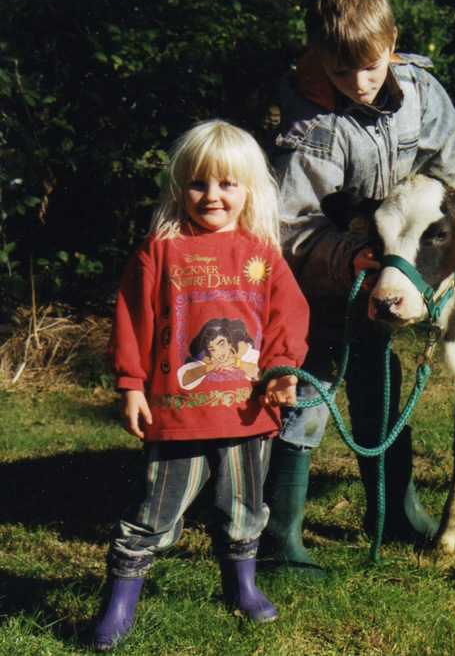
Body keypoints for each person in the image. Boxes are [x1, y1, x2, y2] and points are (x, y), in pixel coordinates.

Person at [263, 0, 455, 575]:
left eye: (370, 66)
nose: (360, 82)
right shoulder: (309, 124)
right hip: (317, 281)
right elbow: (288, 225)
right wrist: (347, 259)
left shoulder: (422, 92)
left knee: (382, 386)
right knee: (308, 397)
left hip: (384, 272)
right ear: (319, 59)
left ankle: (393, 512)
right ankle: (279, 539)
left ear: (391, 43)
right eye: (342, 72)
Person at [93, 120, 310, 651]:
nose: (211, 196)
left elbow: (289, 319)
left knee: (243, 509)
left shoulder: (263, 253)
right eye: (197, 183)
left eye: (226, 184)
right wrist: (131, 386)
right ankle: (119, 604)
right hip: (176, 416)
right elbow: (131, 320)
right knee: (153, 513)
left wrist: (282, 370)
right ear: (178, 186)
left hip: (246, 416)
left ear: (248, 189)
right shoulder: (159, 250)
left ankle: (242, 588)